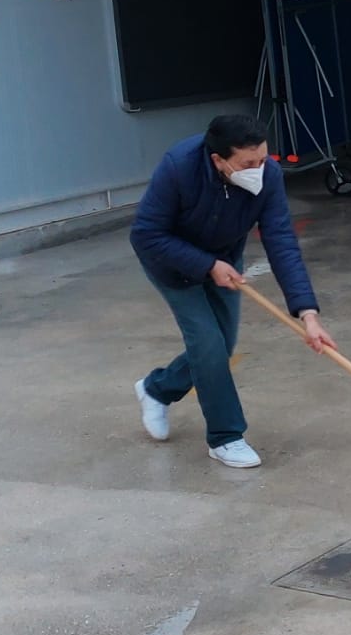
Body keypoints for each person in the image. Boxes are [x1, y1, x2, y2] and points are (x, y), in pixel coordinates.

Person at [130, 114, 335, 469]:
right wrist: (206, 265)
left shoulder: (267, 176)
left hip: (226, 260)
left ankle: (156, 389)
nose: (258, 169)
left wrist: (308, 314)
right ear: (218, 160)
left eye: (262, 159)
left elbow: (281, 240)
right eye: (247, 163)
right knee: (208, 344)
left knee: (222, 345)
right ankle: (225, 437)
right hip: (171, 263)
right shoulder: (179, 167)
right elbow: (146, 233)